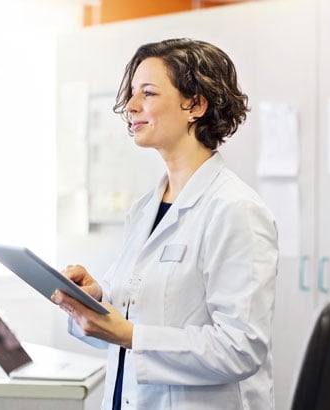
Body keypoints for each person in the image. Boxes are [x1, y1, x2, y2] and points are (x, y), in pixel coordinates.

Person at [51, 38, 278, 410]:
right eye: (132, 94)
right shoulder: (145, 209)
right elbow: (140, 310)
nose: (131, 106)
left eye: (149, 93)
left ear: (196, 104)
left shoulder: (235, 209)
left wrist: (131, 335)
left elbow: (241, 348)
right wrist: (98, 299)